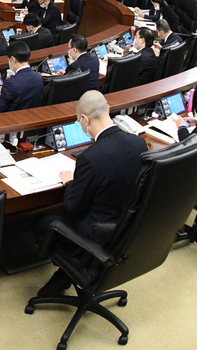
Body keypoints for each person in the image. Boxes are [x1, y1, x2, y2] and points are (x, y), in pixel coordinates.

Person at [34, 91, 147, 298]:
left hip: (94, 234)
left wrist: (70, 182)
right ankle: (65, 277)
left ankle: (69, 270)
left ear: (85, 119)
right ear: (108, 109)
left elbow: (72, 206)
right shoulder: (138, 143)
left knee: (40, 221)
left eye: (79, 121)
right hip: (124, 231)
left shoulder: (91, 158)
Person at [0, 41, 43, 113]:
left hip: (14, 118)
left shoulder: (10, 83)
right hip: (33, 116)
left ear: (13, 60)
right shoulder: (39, 77)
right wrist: (5, 91)